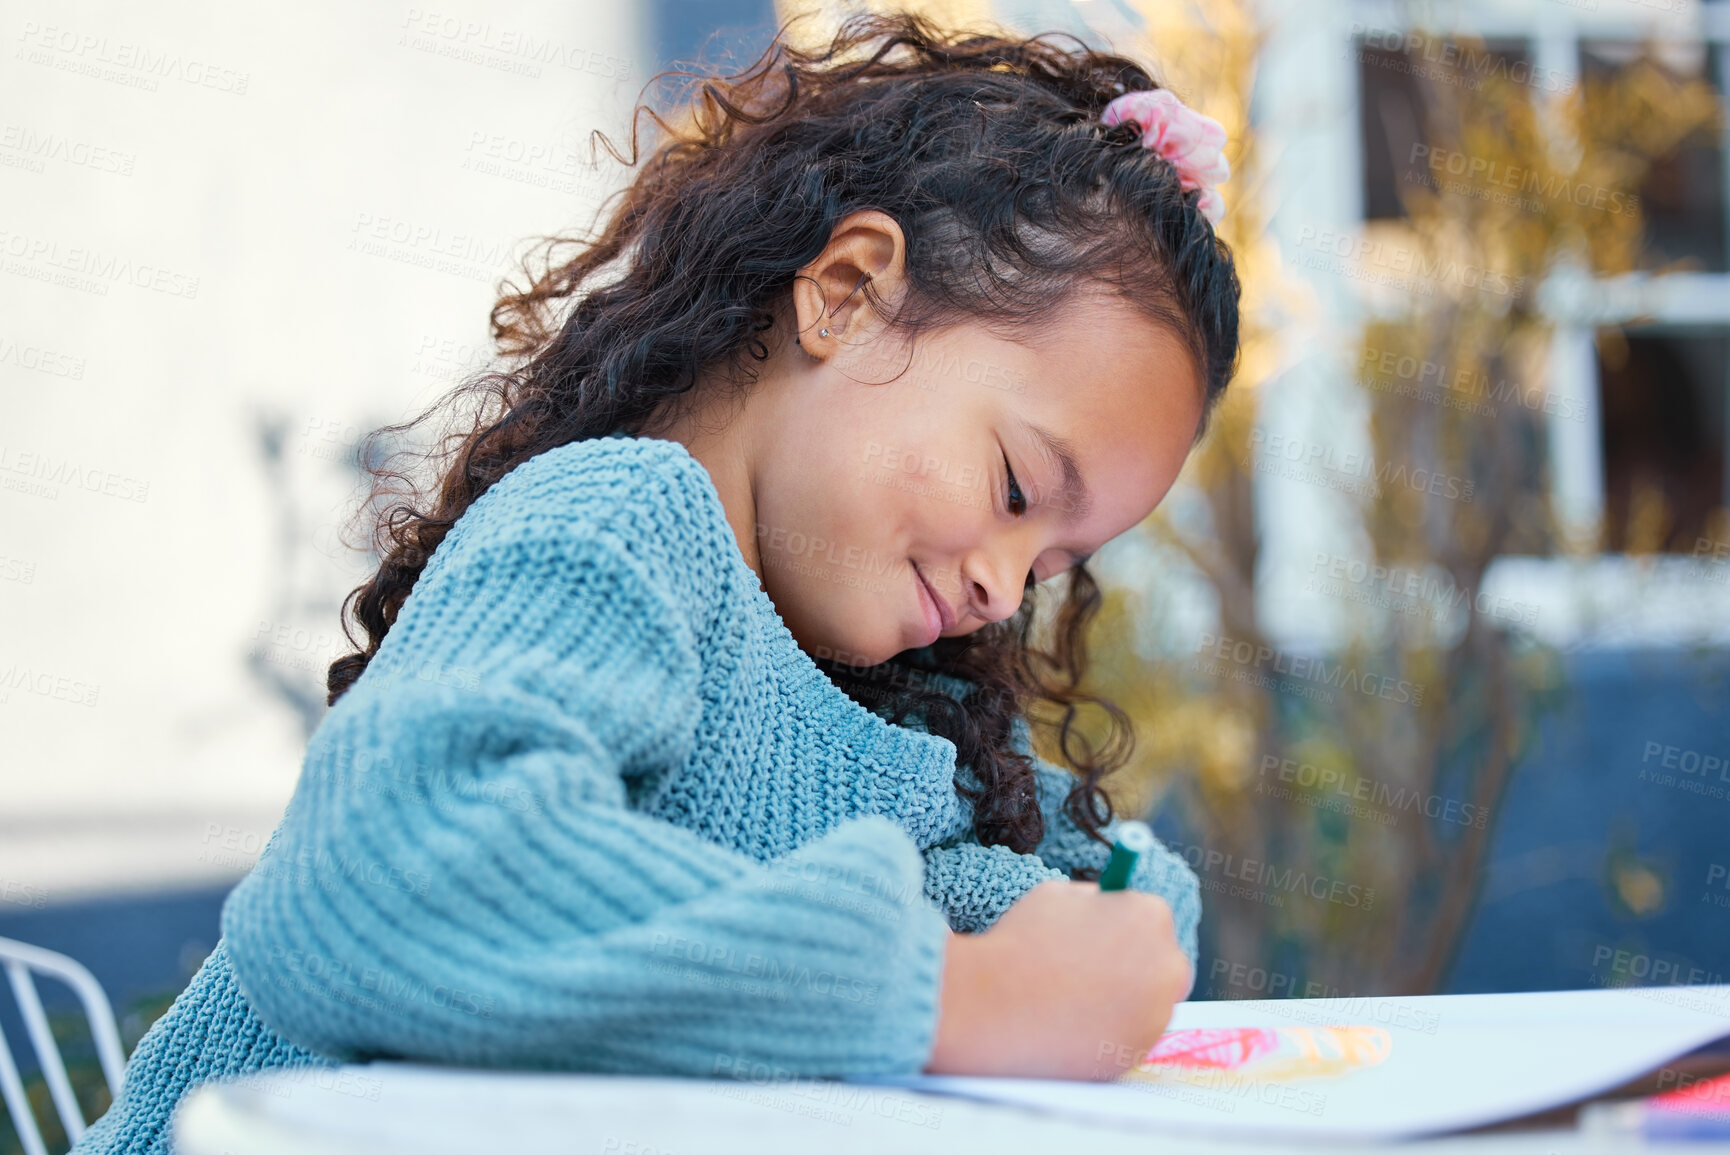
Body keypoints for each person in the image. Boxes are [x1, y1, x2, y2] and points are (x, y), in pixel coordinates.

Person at [73, 10, 1240, 1152]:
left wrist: (1075, 944)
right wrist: (961, 1001)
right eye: (1015, 490)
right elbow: (373, 894)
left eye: (1049, 567)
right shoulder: (618, 523)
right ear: (847, 293)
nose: (1003, 587)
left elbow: (1064, 886)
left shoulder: (864, 702)